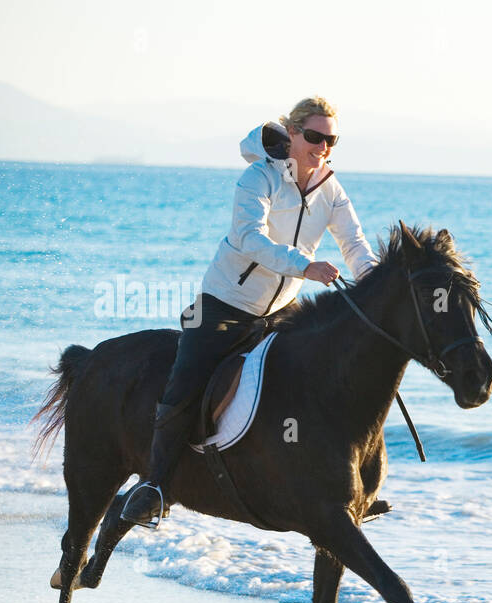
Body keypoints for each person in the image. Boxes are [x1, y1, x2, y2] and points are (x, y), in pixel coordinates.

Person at [120, 96, 379, 528]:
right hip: (225, 304)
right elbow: (246, 238)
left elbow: (355, 245)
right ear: (293, 133)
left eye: (331, 139)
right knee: (184, 385)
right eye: (314, 136)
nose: (322, 147)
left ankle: (330, 490)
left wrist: (376, 287)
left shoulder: (331, 189)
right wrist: (305, 265)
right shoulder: (258, 177)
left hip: (282, 310)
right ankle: (155, 486)